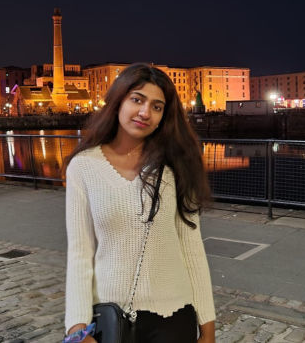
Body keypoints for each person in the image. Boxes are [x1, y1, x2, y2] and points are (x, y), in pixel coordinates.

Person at [63, 63, 216, 343]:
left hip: (175, 316)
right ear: (118, 101)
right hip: (113, 320)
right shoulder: (83, 168)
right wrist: (76, 327)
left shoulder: (176, 165)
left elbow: (192, 248)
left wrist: (207, 326)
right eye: (137, 99)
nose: (145, 112)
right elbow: (80, 253)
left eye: (157, 107)